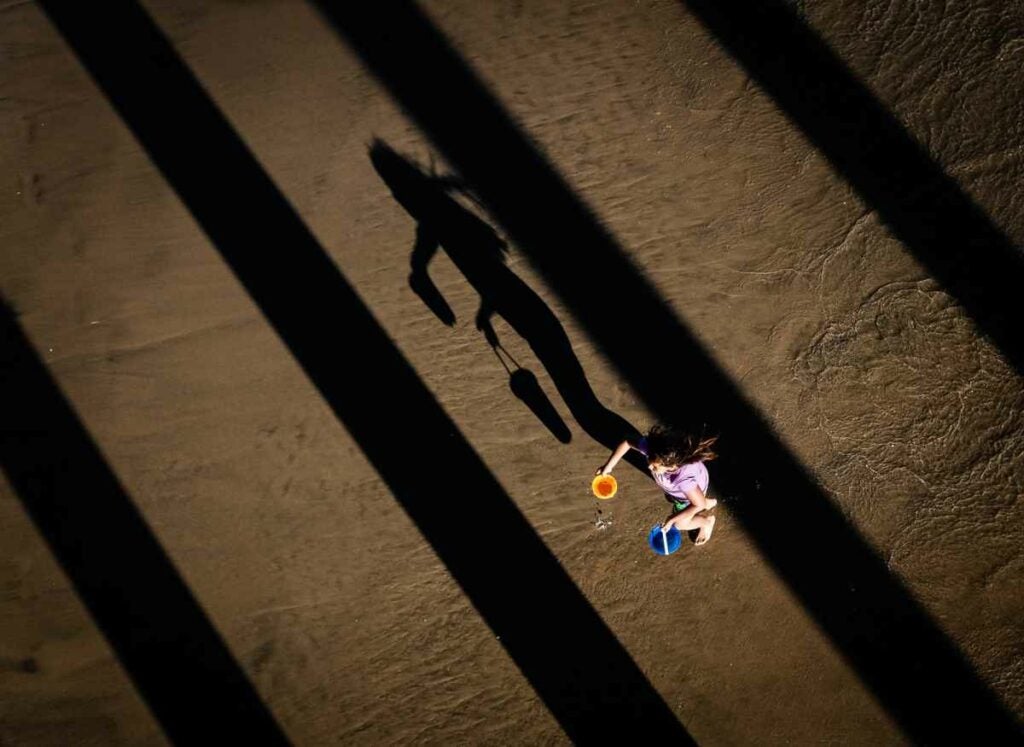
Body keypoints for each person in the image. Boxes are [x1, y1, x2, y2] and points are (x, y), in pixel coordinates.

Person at [597, 425, 719, 546]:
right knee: (686, 499)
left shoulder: (683, 480)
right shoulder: (656, 451)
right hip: (691, 488)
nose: (650, 467)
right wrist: (608, 466)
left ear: (672, 467)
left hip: (689, 493)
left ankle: (706, 522)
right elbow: (628, 441)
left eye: (655, 467)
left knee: (680, 524)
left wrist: (672, 519)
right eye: (650, 460)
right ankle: (709, 502)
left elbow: (699, 504)